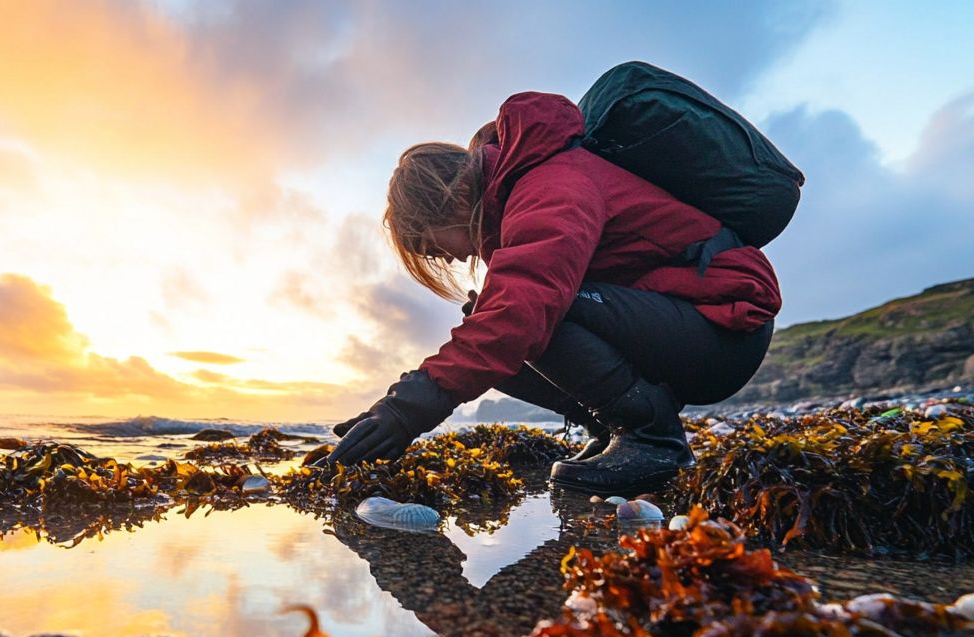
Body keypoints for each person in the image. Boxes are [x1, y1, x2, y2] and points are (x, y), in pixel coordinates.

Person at [326, 91, 780, 496]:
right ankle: (613, 430)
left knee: (526, 315)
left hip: (725, 328)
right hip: (678, 321)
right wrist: (399, 405)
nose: (442, 259)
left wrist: (410, 408)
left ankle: (653, 440)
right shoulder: (520, 195)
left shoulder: (551, 182)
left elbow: (524, 306)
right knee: (492, 323)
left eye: (429, 245)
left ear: (455, 197)